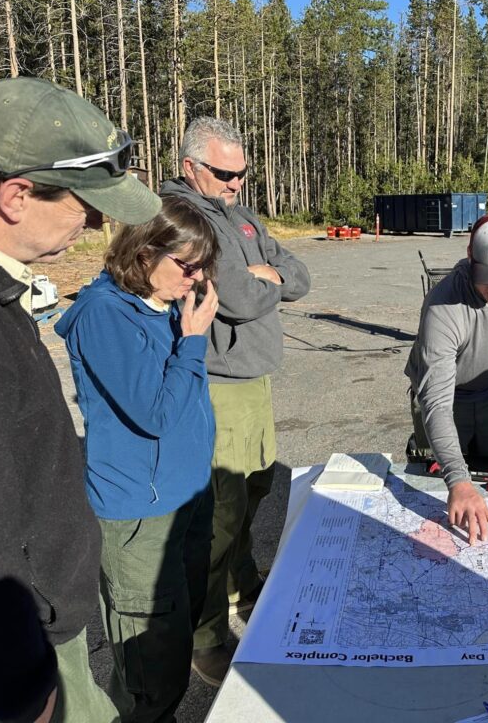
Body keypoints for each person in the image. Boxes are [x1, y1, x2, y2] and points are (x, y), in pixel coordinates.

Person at [0, 78, 160, 722]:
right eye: (86, 206)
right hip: (6, 668)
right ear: (15, 195)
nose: (94, 223)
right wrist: (18, 695)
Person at [54, 197, 220, 722]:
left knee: (176, 632)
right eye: (187, 265)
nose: (196, 279)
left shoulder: (164, 303)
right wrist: (192, 342)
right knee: (150, 666)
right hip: (141, 513)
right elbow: (153, 414)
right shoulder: (104, 315)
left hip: (187, 495)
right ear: (146, 252)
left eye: (202, 267)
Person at [159, 116, 310, 686]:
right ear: (189, 166)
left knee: (253, 492)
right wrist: (262, 276)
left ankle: (245, 590)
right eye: (225, 173)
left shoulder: (239, 216)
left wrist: (265, 270)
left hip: (254, 378)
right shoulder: (183, 218)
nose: (237, 183)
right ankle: (205, 637)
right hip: (217, 380)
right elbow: (243, 299)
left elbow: (298, 276)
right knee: (219, 514)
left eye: (243, 173)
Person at [404, 213, 488, 546]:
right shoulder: (442, 306)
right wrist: (458, 482)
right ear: (470, 257)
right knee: (439, 485)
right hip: (445, 399)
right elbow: (435, 403)